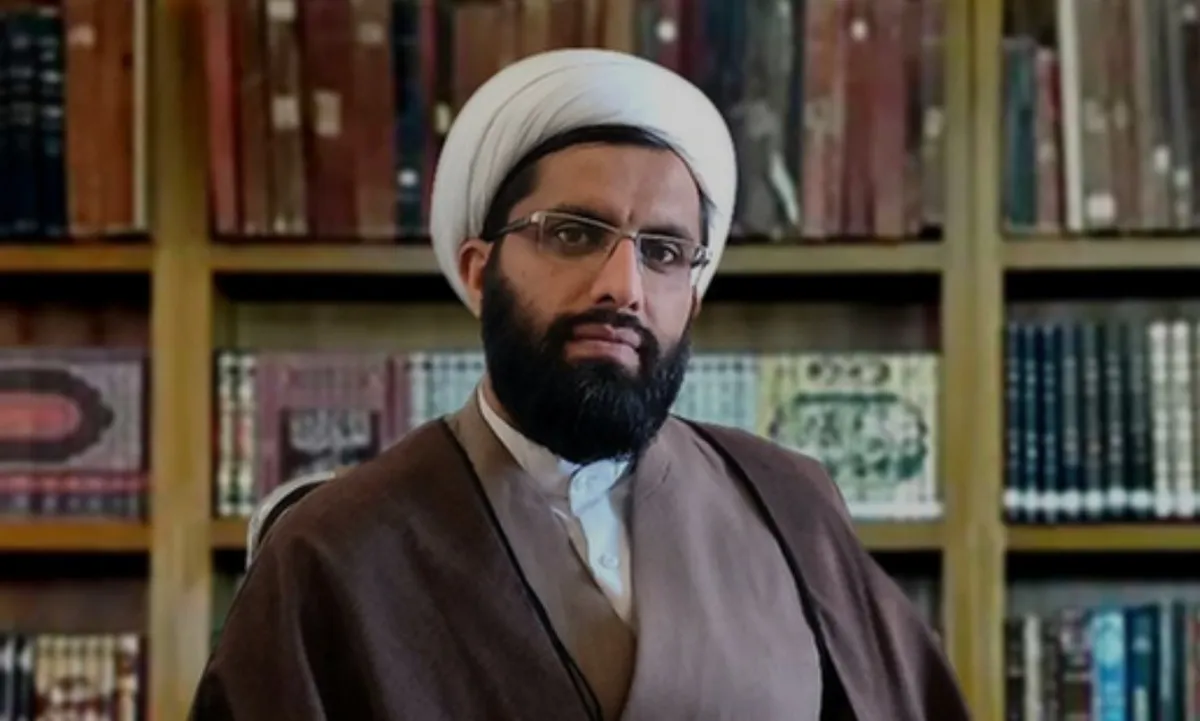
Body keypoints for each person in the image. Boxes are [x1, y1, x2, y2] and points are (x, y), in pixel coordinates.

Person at [188, 48, 971, 721]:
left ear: (692, 296)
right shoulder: (333, 548)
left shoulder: (788, 504)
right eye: (571, 234)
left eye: (664, 251)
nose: (622, 286)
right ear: (479, 271)